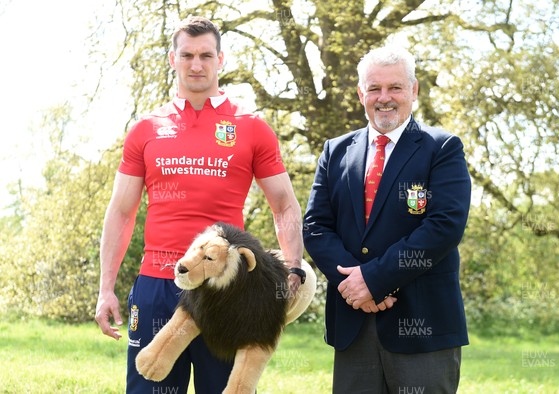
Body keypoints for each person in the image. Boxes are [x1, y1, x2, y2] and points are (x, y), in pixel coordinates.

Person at [94, 16, 305, 393]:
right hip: (158, 284)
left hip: (226, 288)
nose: (196, 64)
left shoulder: (251, 126)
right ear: (173, 59)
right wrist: (106, 288)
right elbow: (121, 213)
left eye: (206, 55)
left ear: (220, 60)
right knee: (149, 384)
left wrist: (292, 267)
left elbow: (285, 206)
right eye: (187, 55)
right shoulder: (146, 128)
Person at [303, 44, 471, 393]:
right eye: (374, 88)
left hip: (423, 326)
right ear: (360, 93)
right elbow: (316, 228)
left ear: (414, 90)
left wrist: (374, 280)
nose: (384, 97)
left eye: (395, 87)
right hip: (354, 323)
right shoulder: (336, 151)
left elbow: (444, 227)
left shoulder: (442, 147)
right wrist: (356, 288)